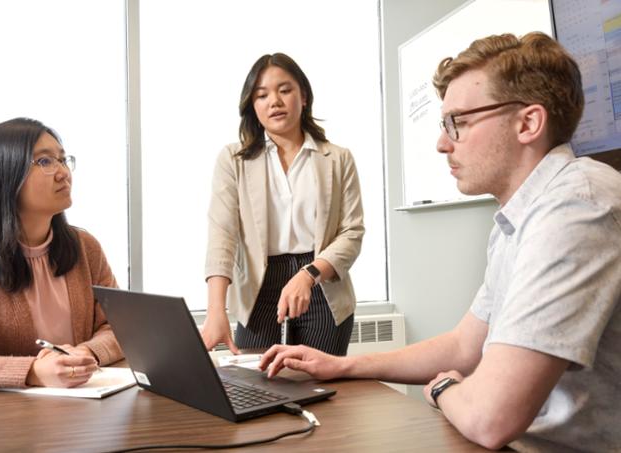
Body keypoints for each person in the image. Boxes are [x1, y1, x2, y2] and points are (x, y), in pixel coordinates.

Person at [260, 32, 621, 452]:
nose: (442, 142)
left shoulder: (577, 207)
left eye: (460, 122)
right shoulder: (522, 215)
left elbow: (490, 417)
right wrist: (343, 365)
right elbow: (464, 346)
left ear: (528, 123)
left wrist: (443, 388)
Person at [0, 118, 123, 389]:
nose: (63, 172)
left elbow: (120, 327)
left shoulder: (85, 247)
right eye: (46, 162)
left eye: (63, 159)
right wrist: (32, 372)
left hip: (82, 409)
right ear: (5, 174)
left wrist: (86, 353)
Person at [202, 53, 365, 356]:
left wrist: (308, 274)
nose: (274, 101)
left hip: (323, 284)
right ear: (253, 105)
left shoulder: (338, 159)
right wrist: (216, 310)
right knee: (256, 388)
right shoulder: (233, 160)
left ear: (303, 96)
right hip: (258, 288)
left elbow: (352, 233)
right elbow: (222, 235)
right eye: (262, 95)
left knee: (319, 389)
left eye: (285, 90)